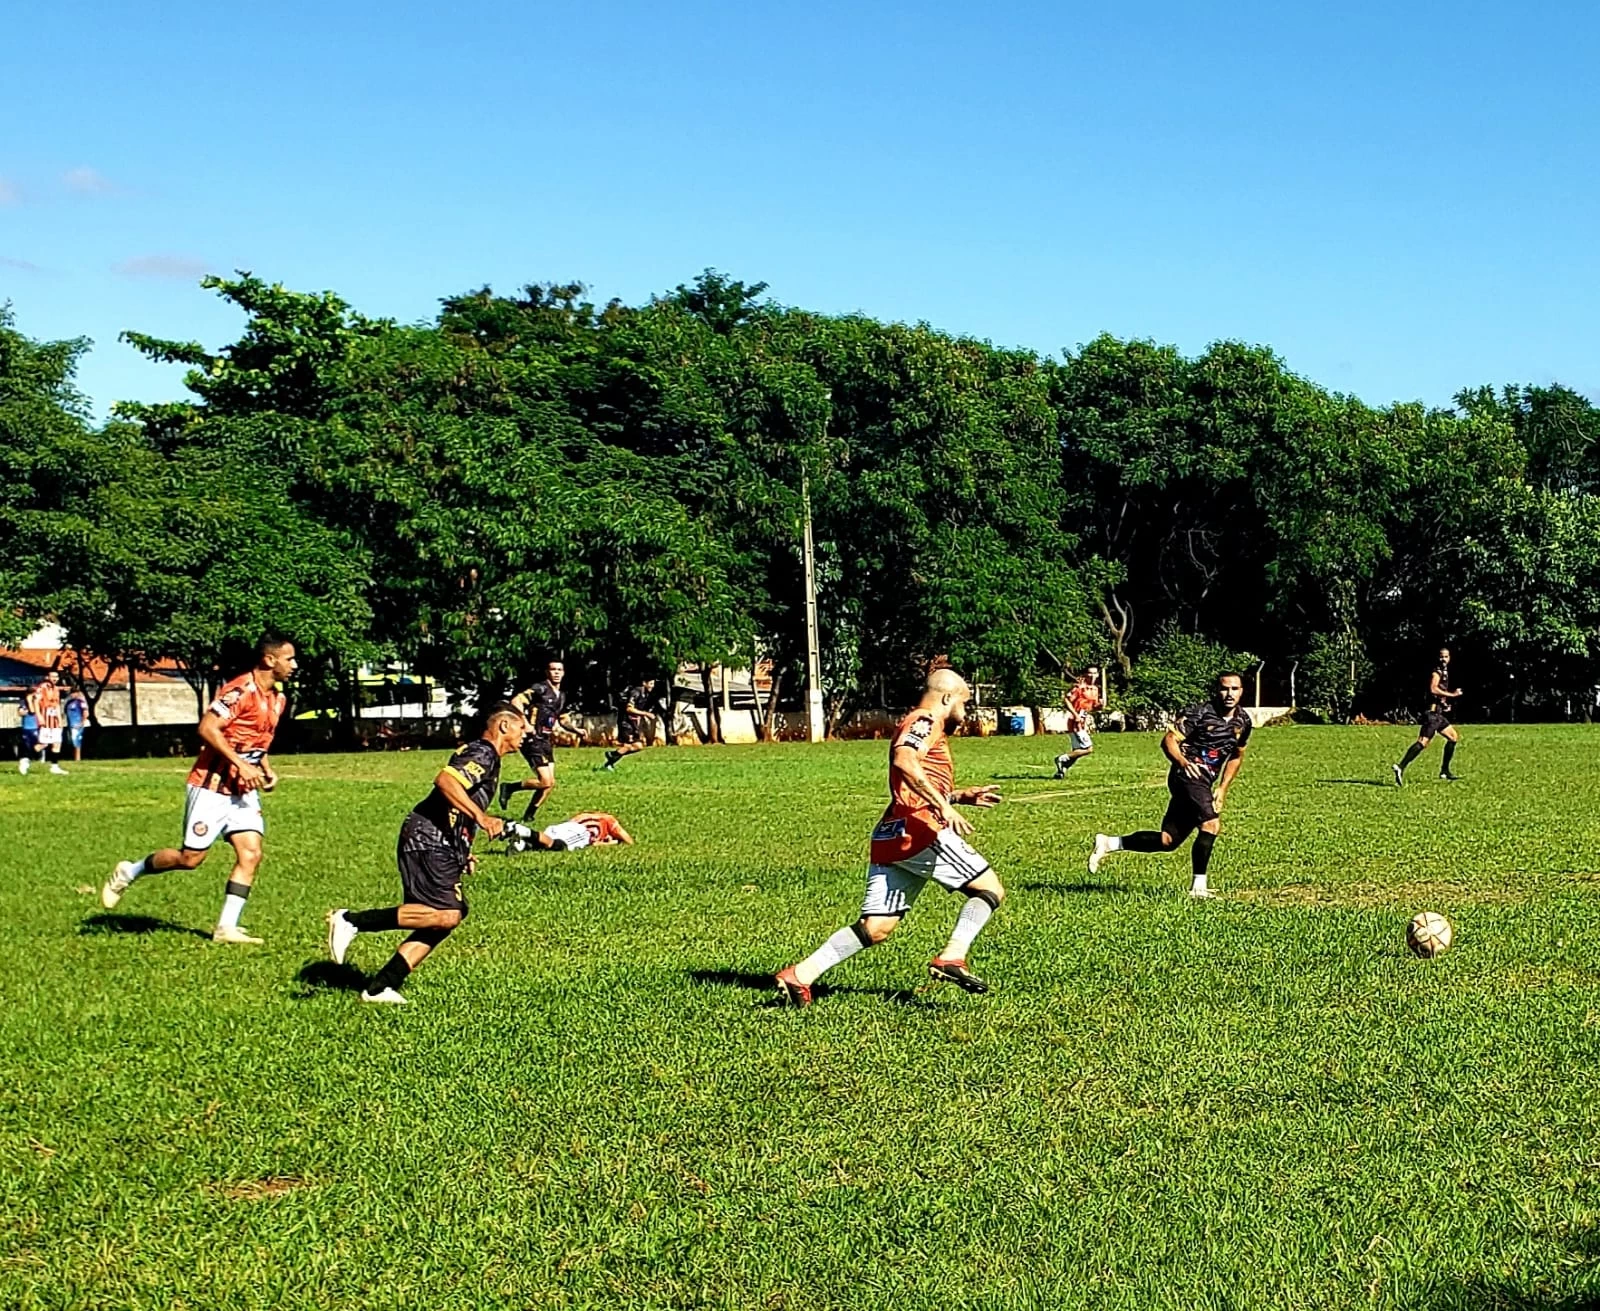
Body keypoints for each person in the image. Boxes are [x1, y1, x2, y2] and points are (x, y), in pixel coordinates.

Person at [775, 668, 1005, 1007]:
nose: (965, 711)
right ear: (946, 697)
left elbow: (910, 783)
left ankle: (801, 975)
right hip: (920, 829)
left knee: (877, 927)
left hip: (892, 833)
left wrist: (957, 796)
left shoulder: (925, 725)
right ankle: (952, 957)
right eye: (964, 702)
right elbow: (904, 759)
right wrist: (943, 805)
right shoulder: (925, 720)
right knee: (989, 888)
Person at [100, 637, 298, 944]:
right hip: (211, 785)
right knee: (190, 859)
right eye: (289, 659)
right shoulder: (239, 690)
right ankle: (130, 871)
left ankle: (225, 928)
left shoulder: (277, 699)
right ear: (270, 660)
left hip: (242, 790)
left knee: (251, 854)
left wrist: (264, 767)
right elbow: (207, 728)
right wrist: (240, 764)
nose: (294, 665)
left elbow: (254, 739)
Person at [325, 704, 526, 1004]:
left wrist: (463, 849)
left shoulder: (488, 758)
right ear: (504, 727)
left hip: (441, 841)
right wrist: (483, 820)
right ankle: (352, 920)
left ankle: (380, 987)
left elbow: (458, 802)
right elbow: (446, 782)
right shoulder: (483, 752)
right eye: (523, 728)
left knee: (446, 917)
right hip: (427, 837)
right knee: (446, 914)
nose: (527, 734)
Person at [1088, 672, 1252, 899]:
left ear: (1242, 691)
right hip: (1185, 776)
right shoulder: (1200, 713)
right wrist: (1184, 763)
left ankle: (1110, 843)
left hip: (1206, 782)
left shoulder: (1243, 721)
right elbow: (1168, 740)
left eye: (1235, 689)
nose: (1229, 694)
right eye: (1225, 688)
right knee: (1211, 824)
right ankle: (1198, 888)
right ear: (1216, 690)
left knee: (1168, 840)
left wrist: (1223, 787)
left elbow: (1237, 755)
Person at [500, 658, 584, 819]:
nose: (557, 673)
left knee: (550, 783)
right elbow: (516, 701)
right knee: (545, 781)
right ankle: (509, 788)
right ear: (547, 672)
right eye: (553, 670)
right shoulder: (540, 689)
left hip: (545, 740)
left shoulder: (562, 696)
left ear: (564, 673)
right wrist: (525, 723)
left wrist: (576, 730)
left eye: (559, 670)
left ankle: (529, 815)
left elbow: (563, 719)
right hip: (533, 740)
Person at [1393, 648, 1463, 785]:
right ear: (1438, 658)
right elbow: (1433, 689)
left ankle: (1444, 771)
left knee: (1453, 737)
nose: (1444, 659)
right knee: (1423, 742)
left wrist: (1444, 705)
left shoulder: (1444, 672)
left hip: (1438, 715)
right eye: (1441, 657)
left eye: (1446, 656)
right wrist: (1453, 695)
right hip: (1431, 716)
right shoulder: (1436, 672)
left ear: (1449, 658)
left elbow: (1437, 694)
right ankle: (1400, 767)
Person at [1054, 666, 1103, 778]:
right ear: (1085, 675)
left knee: (1077, 751)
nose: (1092, 676)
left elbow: (1092, 707)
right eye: (1090, 673)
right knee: (1088, 749)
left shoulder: (1095, 689)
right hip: (1075, 722)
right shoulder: (1079, 687)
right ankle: (1061, 758)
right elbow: (1067, 700)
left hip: (1083, 721)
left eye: (1095, 673)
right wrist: (1075, 715)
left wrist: (1099, 706)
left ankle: (1062, 770)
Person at [603, 679, 656, 771]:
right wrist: (645, 714)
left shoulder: (645, 694)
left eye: (653, 684)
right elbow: (629, 709)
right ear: (644, 683)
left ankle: (612, 755)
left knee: (638, 746)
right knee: (627, 746)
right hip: (626, 722)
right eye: (651, 683)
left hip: (632, 723)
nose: (652, 686)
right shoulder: (636, 692)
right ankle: (609, 764)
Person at [518, 810, 634, 850]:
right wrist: (614, 842)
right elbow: (629, 841)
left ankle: (523, 842)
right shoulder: (608, 820)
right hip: (580, 831)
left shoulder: (587, 817)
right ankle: (522, 830)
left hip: (563, 827)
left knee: (544, 844)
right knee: (561, 846)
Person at [29, 669, 68, 775]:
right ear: (47, 677)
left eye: (56, 677)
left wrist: (60, 720)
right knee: (43, 743)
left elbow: (57, 705)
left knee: (57, 742)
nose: (55, 679)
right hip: (45, 717)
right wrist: (39, 716)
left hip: (54, 718)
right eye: (52, 676)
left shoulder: (56, 689)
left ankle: (54, 766)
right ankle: (25, 758)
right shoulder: (42, 688)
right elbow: (36, 702)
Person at [64, 683, 89, 763]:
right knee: (71, 741)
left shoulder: (81, 701)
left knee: (76, 741)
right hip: (70, 724)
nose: (73, 694)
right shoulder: (69, 703)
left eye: (74, 693)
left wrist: (82, 722)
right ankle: (74, 758)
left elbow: (85, 712)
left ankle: (77, 759)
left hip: (77, 724)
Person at [18, 700, 39, 774]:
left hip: (37, 727)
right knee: (28, 746)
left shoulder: (38, 701)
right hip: (27, 728)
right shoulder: (23, 702)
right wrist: (25, 712)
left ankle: (26, 759)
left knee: (40, 745)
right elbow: (20, 712)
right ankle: (24, 761)